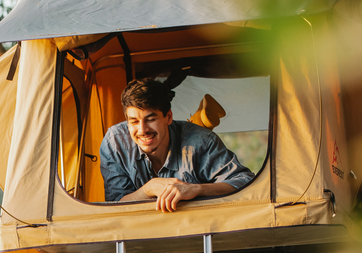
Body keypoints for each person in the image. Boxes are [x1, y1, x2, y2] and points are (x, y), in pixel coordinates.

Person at [100, 78, 255, 212]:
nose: (142, 130)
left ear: (168, 117)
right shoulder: (114, 143)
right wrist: (149, 189)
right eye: (133, 121)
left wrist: (196, 189)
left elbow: (245, 181)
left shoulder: (202, 140)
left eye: (151, 119)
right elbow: (114, 205)